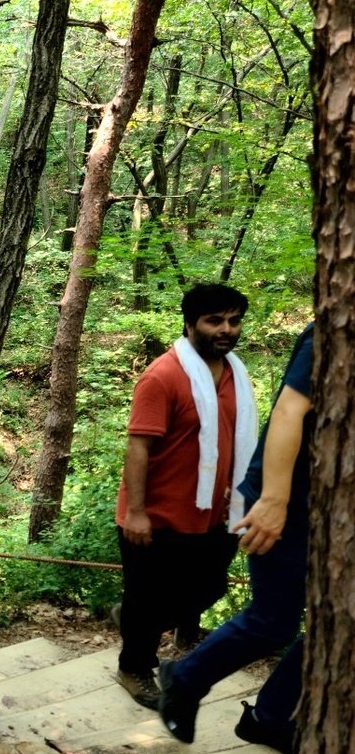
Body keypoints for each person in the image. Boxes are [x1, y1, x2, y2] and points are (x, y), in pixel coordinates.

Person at [158, 322, 314, 754]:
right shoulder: (336, 328)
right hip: (282, 503)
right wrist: (274, 499)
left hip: (328, 512)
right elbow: (289, 410)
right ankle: (185, 679)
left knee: (337, 625)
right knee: (274, 620)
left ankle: (270, 718)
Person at [114, 283, 256, 709]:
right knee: (147, 597)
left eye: (233, 320)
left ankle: (138, 619)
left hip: (216, 513)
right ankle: (133, 667)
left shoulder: (236, 373)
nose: (226, 329)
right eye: (215, 320)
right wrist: (136, 513)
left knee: (208, 588)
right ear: (190, 323)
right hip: (156, 516)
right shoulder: (163, 375)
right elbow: (138, 447)